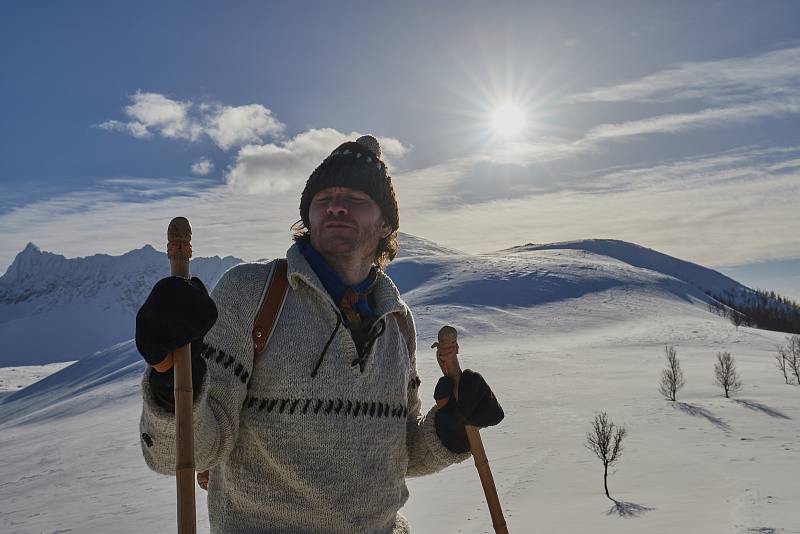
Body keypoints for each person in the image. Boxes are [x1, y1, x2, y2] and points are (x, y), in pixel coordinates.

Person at [135, 135, 504, 533]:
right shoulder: (252, 294)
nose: (337, 206)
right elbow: (192, 451)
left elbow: (399, 453)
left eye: (357, 197)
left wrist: (449, 429)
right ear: (307, 216)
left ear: (385, 224)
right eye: (324, 197)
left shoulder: (397, 320)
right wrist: (168, 379)